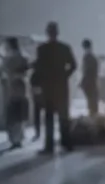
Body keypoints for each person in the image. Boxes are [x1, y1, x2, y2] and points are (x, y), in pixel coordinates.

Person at [31, 20, 75, 152]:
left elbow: (38, 68)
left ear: (47, 33)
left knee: (49, 116)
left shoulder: (42, 49)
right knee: (63, 116)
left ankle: (49, 145)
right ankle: (66, 143)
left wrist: (37, 84)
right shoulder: (65, 48)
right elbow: (73, 65)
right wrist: (65, 76)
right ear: (58, 33)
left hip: (48, 87)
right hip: (61, 86)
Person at [80, 39, 98, 118]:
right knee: (92, 101)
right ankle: (93, 115)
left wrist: (83, 81)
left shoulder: (88, 57)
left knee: (91, 101)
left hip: (90, 82)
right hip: (91, 82)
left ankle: (93, 116)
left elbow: (88, 71)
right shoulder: (91, 57)